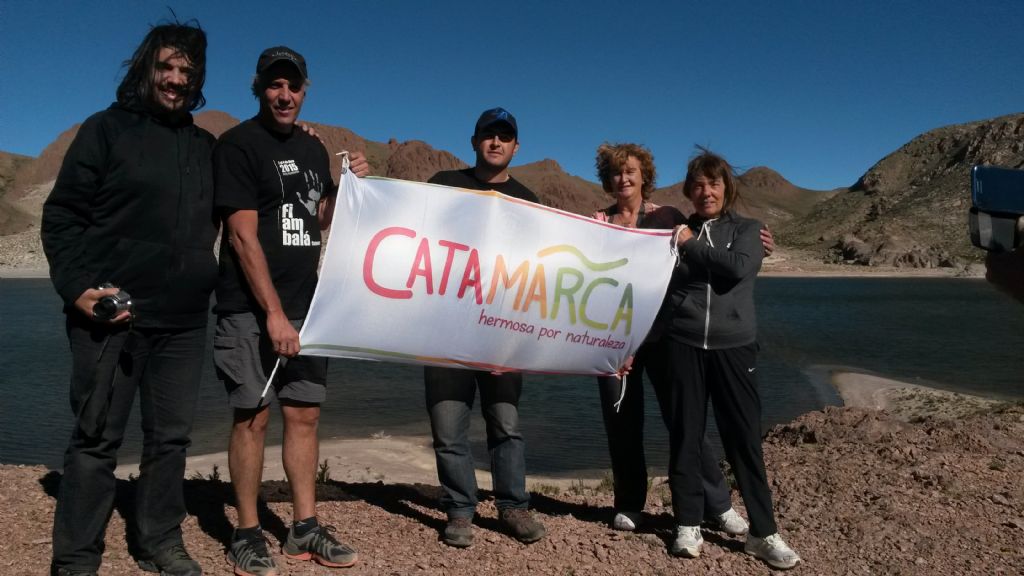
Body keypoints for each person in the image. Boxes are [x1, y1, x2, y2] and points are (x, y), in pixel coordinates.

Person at [41, 22, 215, 576]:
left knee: (170, 440)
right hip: (111, 318)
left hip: (183, 321)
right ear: (146, 69)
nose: (176, 79)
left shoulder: (204, 147)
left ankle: (159, 540)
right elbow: (62, 215)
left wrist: (324, 167)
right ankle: (76, 558)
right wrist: (77, 289)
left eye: (187, 71)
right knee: (96, 439)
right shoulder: (106, 130)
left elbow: (252, 205)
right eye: (166, 67)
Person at [212, 46, 369, 575]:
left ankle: (304, 526)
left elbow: (318, 218)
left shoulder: (312, 148)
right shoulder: (238, 145)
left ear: (305, 90)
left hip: (308, 306)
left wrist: (348, 187)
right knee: (252, 417)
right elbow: (240, 236)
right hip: (250, 309)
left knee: (304, 415)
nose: (285, 95)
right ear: (258, 87)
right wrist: (274, 315)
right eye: (275, 85)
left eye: (293, 86)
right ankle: (247, 532)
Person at [591, 143, 750, 536]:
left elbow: (706, 250)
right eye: (616, 172)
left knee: (684, 422)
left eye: (631, 171)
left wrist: (757, 242)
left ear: (644, 175)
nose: (623, 178)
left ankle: (717, 504)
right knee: (621, 421)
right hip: (614, 340)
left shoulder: (668, 217)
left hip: (666, 336)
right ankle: (630, 502)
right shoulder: (598, 222)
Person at [660, 147, 801, 569]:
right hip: (683, 344)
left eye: (714, 184)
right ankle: (688, 522)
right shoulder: (676, 230)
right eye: (698, 185)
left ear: (727, 188)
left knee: (743, 439)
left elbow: (736, 268)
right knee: (685, 436)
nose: (706, 192)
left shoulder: (749, 230)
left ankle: (763, 531)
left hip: (734, 348)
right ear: (689, 191)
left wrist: (689, 245)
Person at [423, 107, 547, 548]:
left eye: (504, 136)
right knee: (448, 427)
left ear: (516, 147)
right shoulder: (443, 185)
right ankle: (460, 510)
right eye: (488, 135)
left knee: (506, 425)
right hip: (446, 330)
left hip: (502, 334)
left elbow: (537, 269)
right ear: (474, 141)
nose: (496, 142)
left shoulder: (528, 201)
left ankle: (513, 506)